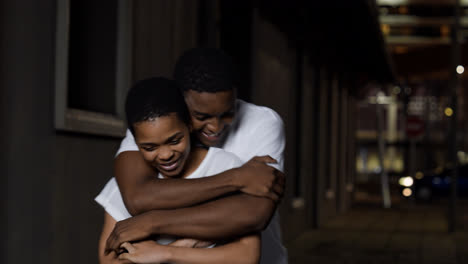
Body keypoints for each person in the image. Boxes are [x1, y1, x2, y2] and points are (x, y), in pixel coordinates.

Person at [106, 48, 288, 264]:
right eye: (202, 116)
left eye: (227, 114)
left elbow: (254, 214)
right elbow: (139, 197)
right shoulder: (153, 125)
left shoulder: (262, 123)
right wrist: (237, 179)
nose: (216, 127)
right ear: (180, 101)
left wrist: (152, 222)